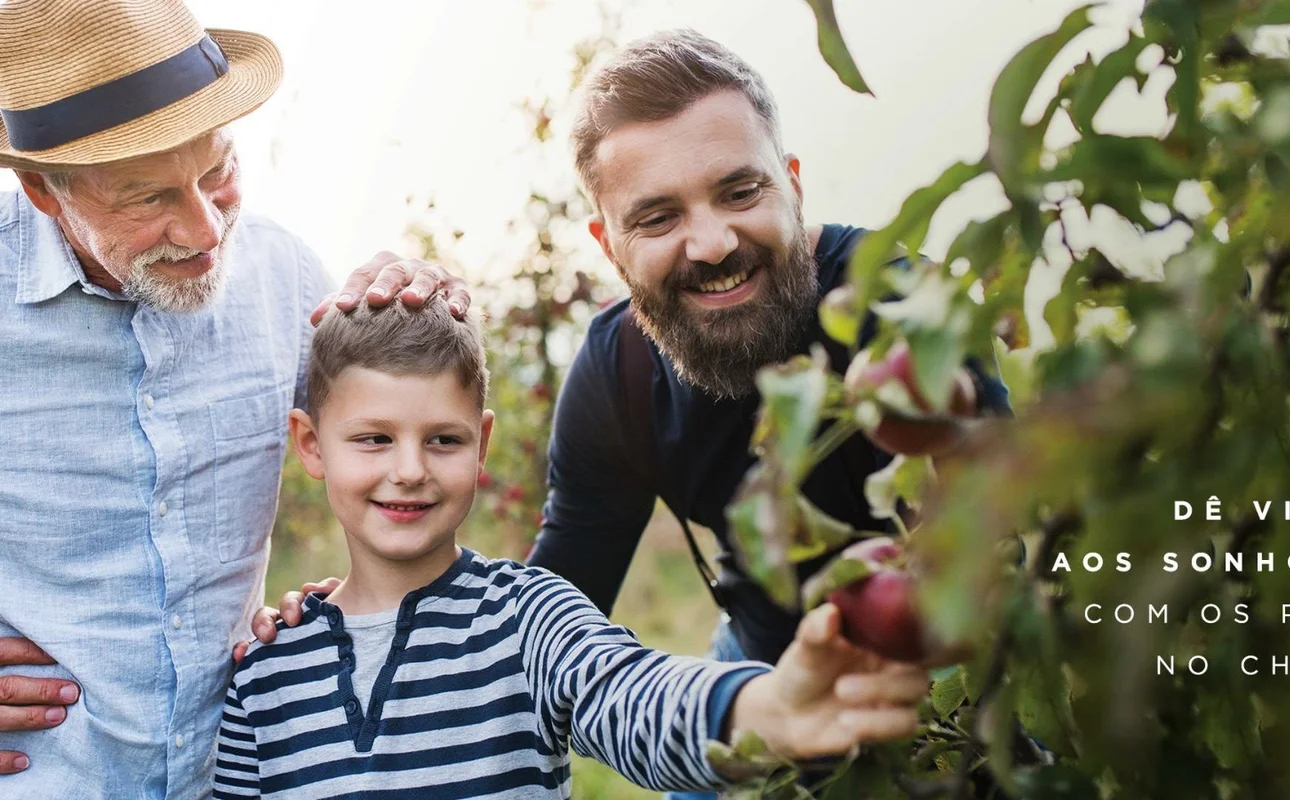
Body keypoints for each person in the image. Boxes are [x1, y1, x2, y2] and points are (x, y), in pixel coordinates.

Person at [0, 0, 466, 793]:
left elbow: (404, 448)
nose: (207, 229)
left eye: (218, 171)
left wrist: (423, 311)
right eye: (148, 198)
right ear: (49, 194)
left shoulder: (288, 281)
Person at [214, 298, 929, 798]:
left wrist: (765, 710)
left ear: (483, 444)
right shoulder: (266, 669)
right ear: (311, 445)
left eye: (443, 439)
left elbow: (629, 693)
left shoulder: (528, 617)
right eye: (374, 438)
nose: (409, 469)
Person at [525, 29, 1010, 666]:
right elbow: (559, 611)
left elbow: (1001, 540)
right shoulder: (617, 374)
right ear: (609, 247)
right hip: (757, 677)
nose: (712, 243)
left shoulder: (902, 307)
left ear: (793, 185)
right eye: (658, 217)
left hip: (940, 669)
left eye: (740, 192)